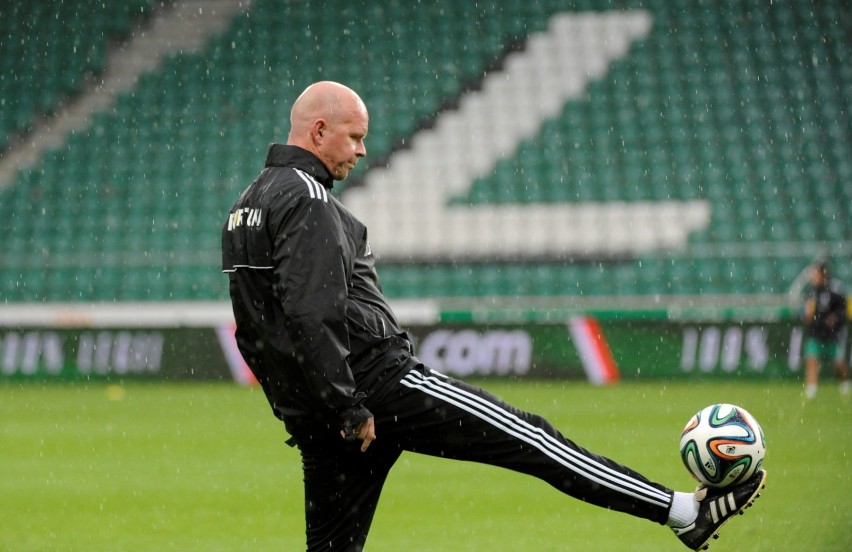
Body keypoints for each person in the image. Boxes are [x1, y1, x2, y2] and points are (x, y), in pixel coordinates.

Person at [221, 81, 766, 551]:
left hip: (322, 419)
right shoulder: (309, 197)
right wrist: (347, 404)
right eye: (355, 136)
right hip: (378, 390)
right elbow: (313, 314)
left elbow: (254, 333)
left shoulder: (248, 204)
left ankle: (682, 514)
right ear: (318, 132)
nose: (362, 151)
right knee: (536, 442)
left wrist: (310, 412)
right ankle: (684, 514)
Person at [802, 260, 849, 398]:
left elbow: (843, 310)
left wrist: (835, 317)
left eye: (815, 273)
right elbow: (806, 312)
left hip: (831, 334)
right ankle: (812, 389)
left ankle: (845, 384)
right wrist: (807, 314)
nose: (813, 276)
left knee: (839, 363)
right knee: (811, 359)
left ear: (823, 274)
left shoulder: (835, 289)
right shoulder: (811, 291)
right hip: (815, 333)